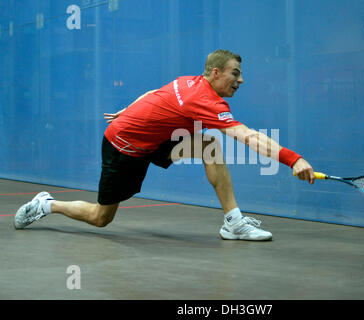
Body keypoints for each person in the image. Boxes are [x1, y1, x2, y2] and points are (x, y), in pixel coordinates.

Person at [14, 49, 315, 241]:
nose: (241, 80)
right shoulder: (205, 99)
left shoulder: (189, 81)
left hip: (154, 140)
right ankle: (47, 204)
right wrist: (293, 159)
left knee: (210, 145)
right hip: (123, 148)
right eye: (235, 73)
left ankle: (233, 223)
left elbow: (152, 93)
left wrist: (129, 110)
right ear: (216, 73)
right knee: (101, 218)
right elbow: (248, 136)